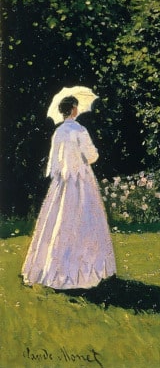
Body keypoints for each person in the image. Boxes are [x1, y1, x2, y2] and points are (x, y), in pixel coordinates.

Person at [22, 95, 117, 289]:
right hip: (81, 180)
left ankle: (52, 269)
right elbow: (91, 156)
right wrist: (91, 155)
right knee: (84, 220)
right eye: (76, 106)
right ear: (73, 109)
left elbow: (54, 160)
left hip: (63, 182)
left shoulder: (58, 132)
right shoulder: (80, 130)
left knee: (58, 221)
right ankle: (86, 272)